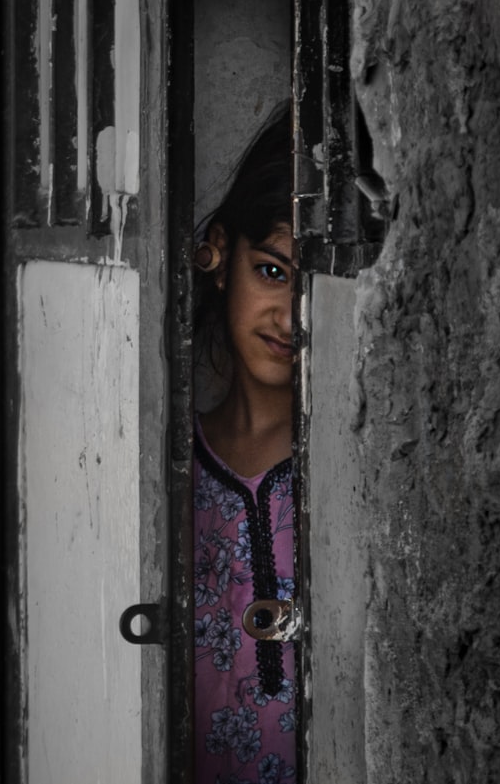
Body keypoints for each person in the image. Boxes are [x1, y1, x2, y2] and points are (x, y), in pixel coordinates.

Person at [192, 105, 297, 784]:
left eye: (312, 282)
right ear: (223, 257)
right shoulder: (171, 469)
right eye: (272, 271)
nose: (291, 316)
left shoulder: (344, 477)